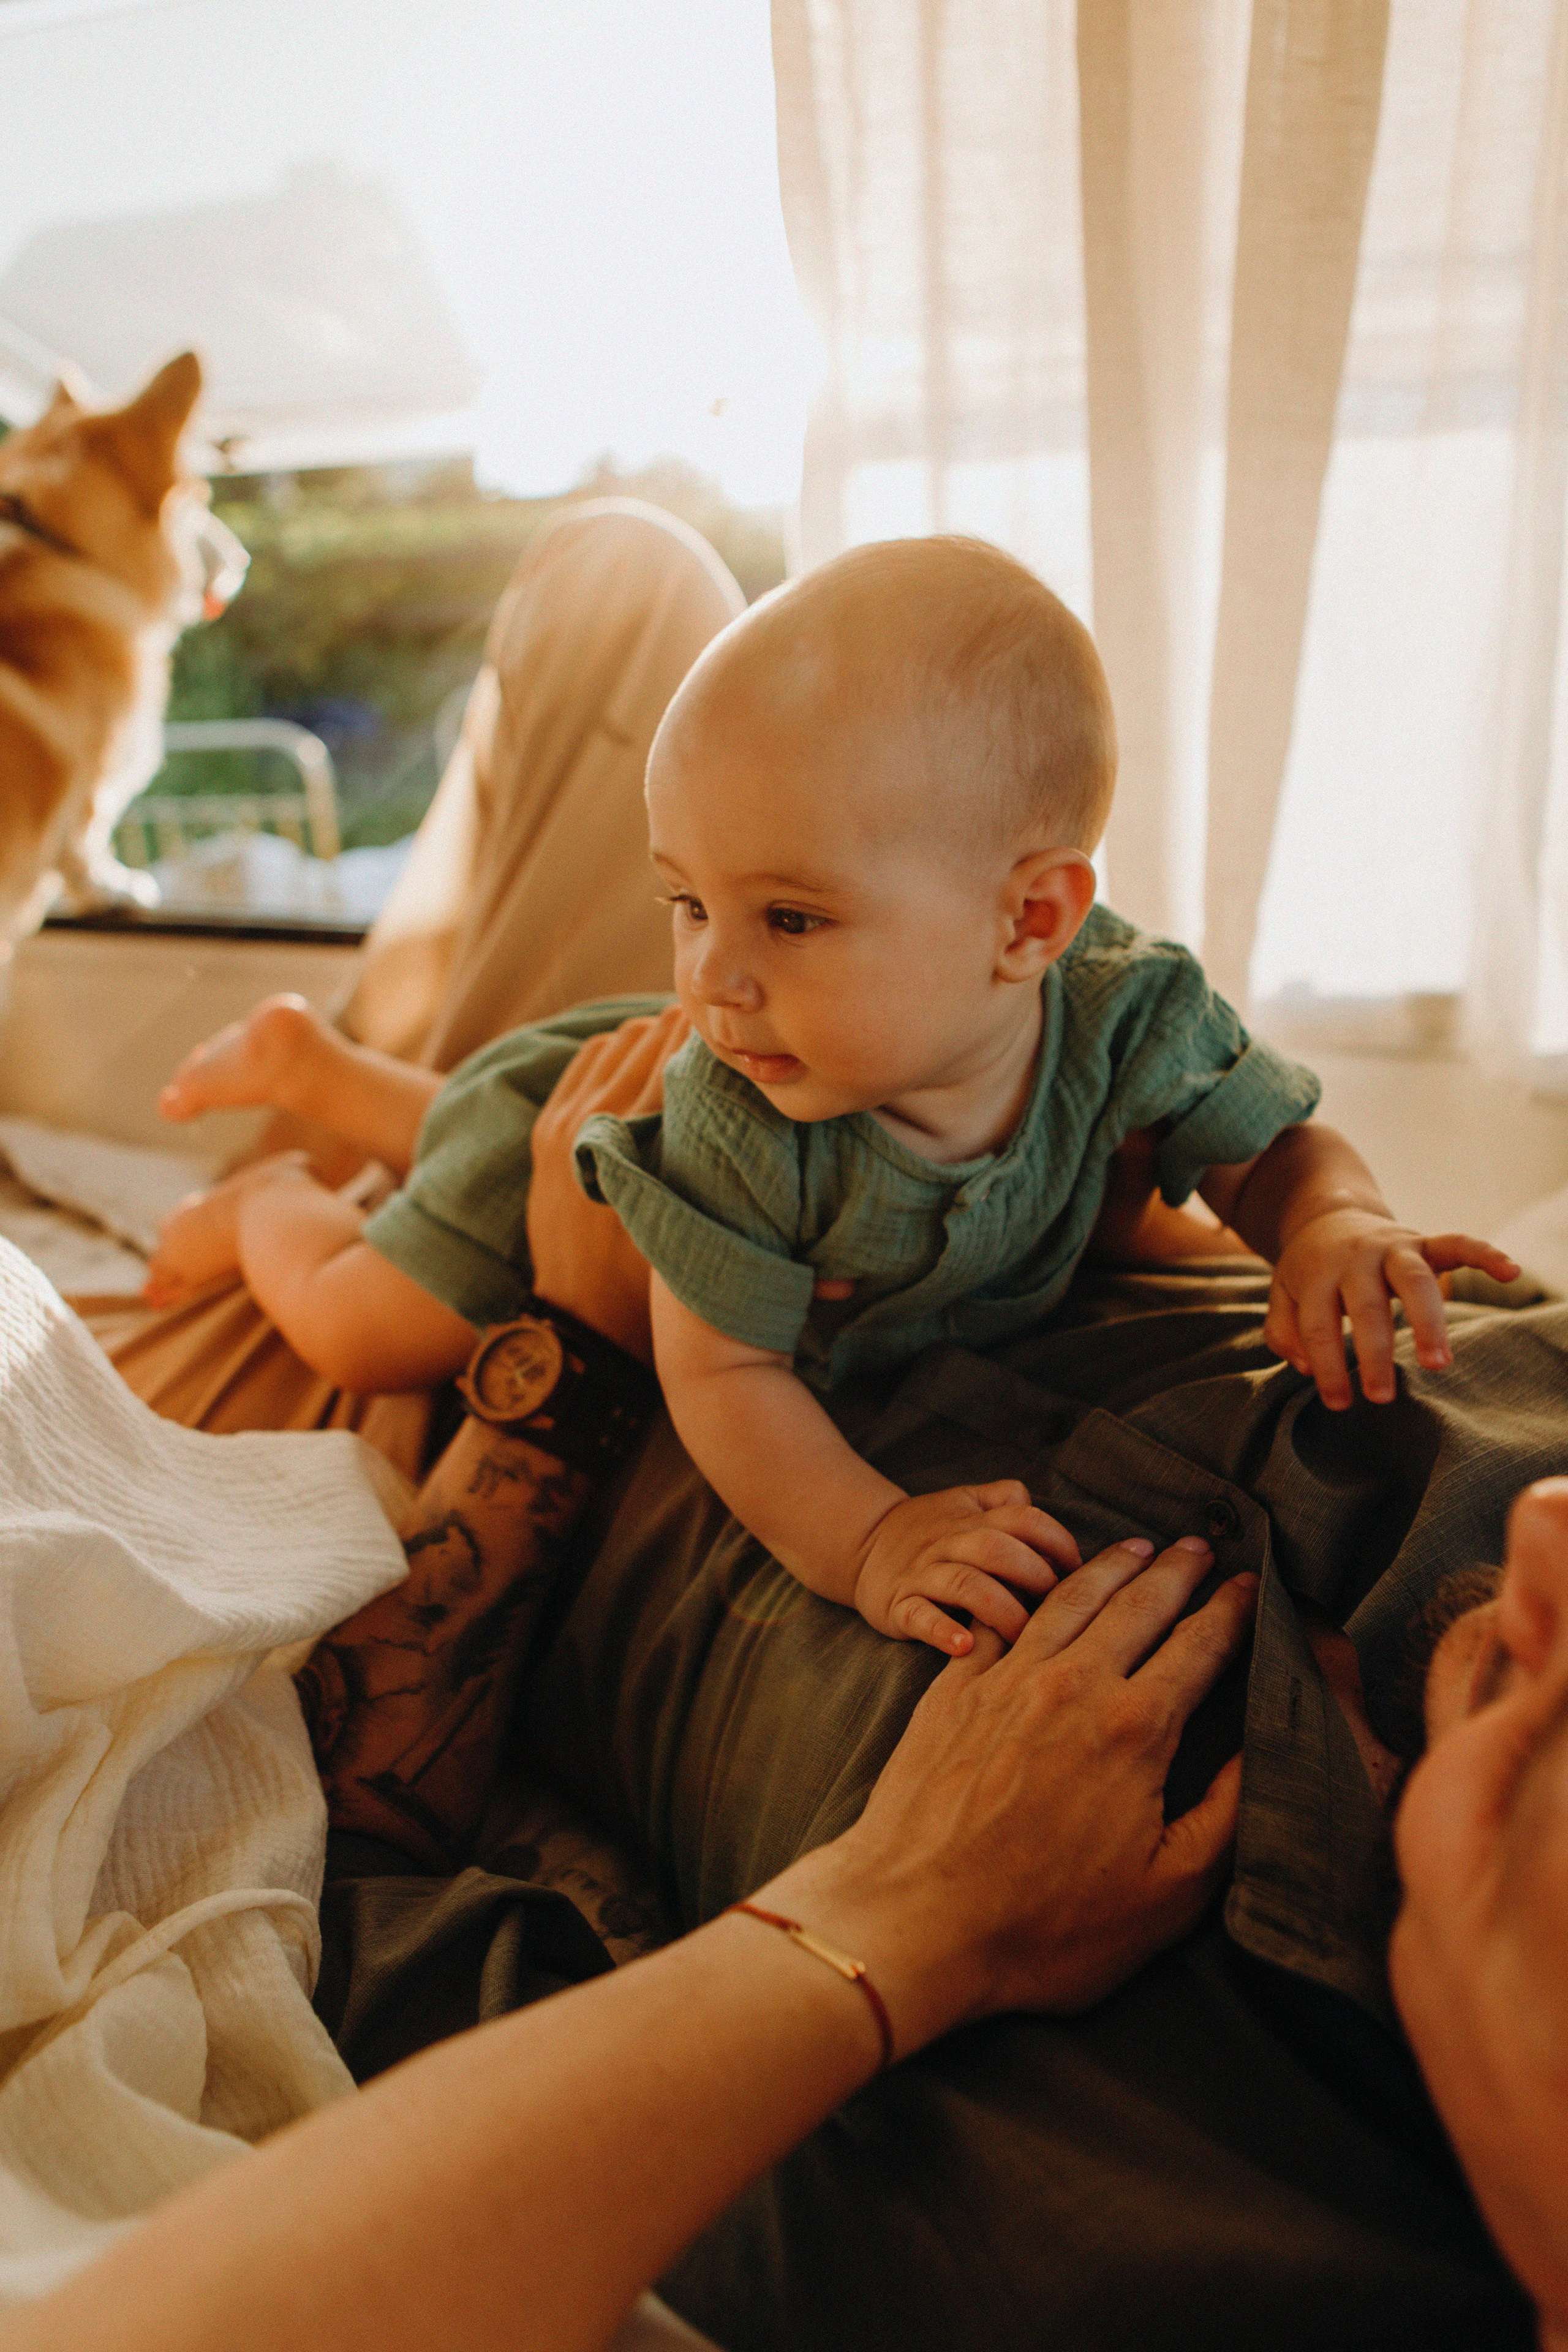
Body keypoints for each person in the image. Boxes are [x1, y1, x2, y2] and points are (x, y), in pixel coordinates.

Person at [143, 537, 1516, 1662]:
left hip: (586, 1100)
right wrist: (870, 1540)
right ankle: (268, 1200)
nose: (710, 976)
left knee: (511, 1121)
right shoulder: (734, 1115)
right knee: (371, 1327)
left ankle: (321, 1070)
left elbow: (1264, 1151)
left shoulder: (1126, 1013)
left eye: (788, 918)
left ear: (1029, 920)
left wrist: (1333, 1221)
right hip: (561, 1139)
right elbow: (724, 1376)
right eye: (685, 902)